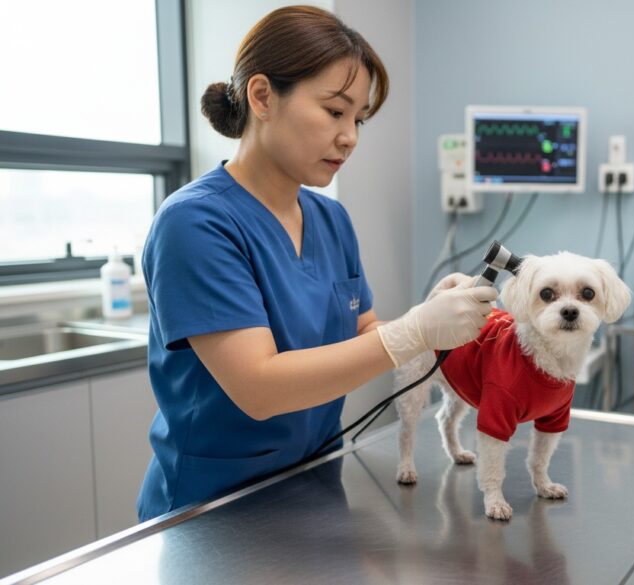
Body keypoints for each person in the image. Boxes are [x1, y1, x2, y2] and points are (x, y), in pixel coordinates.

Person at [137, 6, 496, 522]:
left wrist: (431, 320)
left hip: (315, 486)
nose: (350, 136)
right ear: (263, 96)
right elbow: (259, 388)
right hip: (212, 508)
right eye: (334, 111)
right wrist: (413, 331)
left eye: (358, 119)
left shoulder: (330, 219)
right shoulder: (195, 223)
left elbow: (364, 331)